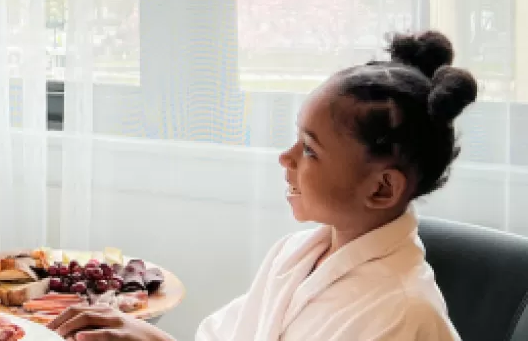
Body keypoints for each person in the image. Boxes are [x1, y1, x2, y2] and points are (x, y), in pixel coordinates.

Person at [50, 31, 475, 341]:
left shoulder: (402, 315)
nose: (286, 158)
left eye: (310, 150)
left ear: (382, 189)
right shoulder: (296, 255)